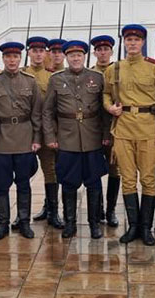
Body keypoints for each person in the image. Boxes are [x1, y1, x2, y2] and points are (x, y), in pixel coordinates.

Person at [104, 25, 155, 246]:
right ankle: (133, 226)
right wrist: (109, 107)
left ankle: (146, 227)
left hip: (148, 129)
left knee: (149, 178)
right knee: (128, 179)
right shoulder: (114, 69)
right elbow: (105, 93)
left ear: (143, 43)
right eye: (128, 39)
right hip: (123, 129)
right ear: (124, 43)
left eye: (136, 40)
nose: (132, 43)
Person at [43, 40, 110, 239]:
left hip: (92, 138)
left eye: (79, 55)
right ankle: (70, 222)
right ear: (66, 57)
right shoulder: (56, 79)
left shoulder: (97, 77)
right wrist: (50, 136)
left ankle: (94, 223)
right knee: (68, 183)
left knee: (94, 183)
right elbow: (47, 111)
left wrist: (106, 135)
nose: (75, 58)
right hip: (67, 138)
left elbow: (104, 112)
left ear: (84, 57)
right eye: (71, 55)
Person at [0, 41, 43, 240]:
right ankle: (3, 223)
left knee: (24, 183)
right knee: (1, 185)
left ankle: (24, 222)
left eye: (15, 57)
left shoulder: (30, 81)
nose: (12, 60)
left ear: (20, 58)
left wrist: (36, 138)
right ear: (3, 59)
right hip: (0, 140)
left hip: (24, 138)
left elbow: (37, 113)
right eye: (8, 57)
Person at [23, 36, 63, 229]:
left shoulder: (52, 76)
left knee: (50, 171)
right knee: (22, 172)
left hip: (47, 130)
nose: (38, 54)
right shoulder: (22, 74)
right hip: (24, 131)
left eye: (41, 51)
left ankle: (52, 212)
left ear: (44, 53)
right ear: (29, 53)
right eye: (34, 50)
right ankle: (22, 215)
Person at [91, 34, 119, 227]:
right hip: (92, 129)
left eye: (106, 49)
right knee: (95, 170)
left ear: (111, 51)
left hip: (114, 127)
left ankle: (111, 210)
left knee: (114, 171)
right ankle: (98, 209)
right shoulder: (89, 73)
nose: (103, 53)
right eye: (99, 50)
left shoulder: (118, 72)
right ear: (95, 53)